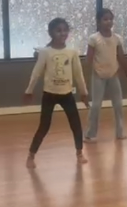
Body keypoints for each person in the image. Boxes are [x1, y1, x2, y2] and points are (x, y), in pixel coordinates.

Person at [24, 18, 89, 169]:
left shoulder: (72, 52)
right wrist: (29, 90)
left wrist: (84, 93)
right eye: (58, 30)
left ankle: (79, 153)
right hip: (50, 94)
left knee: (76, 125)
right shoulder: (45, 52)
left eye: (65, 30)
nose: (62, 33)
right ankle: (31, 156)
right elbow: (36, 72)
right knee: (44, 126)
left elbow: (78, 74)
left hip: (67, 95)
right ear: (51, 33)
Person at [84, 9, 127, 142]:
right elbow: (89, 59)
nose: (108, 22)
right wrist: (85, 79)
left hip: (113, 75)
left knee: (118, 104)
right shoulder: (94, 38)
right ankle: (90, 134)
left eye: (110, 19)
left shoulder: (117, 38)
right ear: (99, 22)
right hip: (98, 76)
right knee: (96, 105)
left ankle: (120, 132)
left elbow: (121, 57)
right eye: (105, 19)